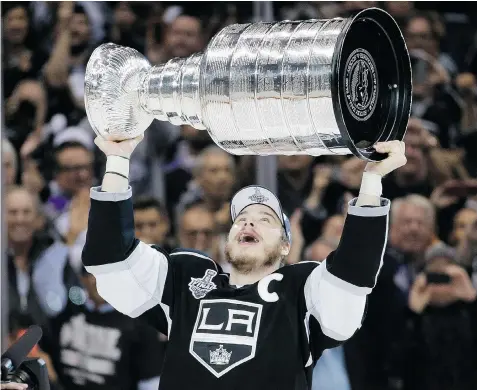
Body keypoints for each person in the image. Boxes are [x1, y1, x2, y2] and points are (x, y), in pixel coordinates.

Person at [82, 135, 406, 390]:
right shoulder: (188, 277)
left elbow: (350, 278)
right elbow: (111, 262)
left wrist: (372, 180)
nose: (248, 223)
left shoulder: (300, 292)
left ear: (284, 247)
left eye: (264, 219)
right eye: (241, 219)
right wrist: (117, 159)